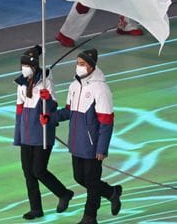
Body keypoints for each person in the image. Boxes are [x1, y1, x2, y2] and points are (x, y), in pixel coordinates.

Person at [42, 48, 121, 224]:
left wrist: (102, 148)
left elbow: (106, 121)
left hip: (93, 146)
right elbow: (69, 111)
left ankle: (90, 217)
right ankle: (111, 192)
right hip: (77, 143)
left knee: (92, 182)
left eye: (82, 64)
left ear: (92, 66)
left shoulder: (101, 89)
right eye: (77, 63)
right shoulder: (74, 86)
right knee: (80, 178)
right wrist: (50, 117)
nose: (78, 67)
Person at [13, 45, 74, 220]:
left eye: (26, 65)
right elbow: (19, 108)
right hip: (26, 133)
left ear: (33, 66)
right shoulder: (21, 84)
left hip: (42, 132)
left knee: (39, 170)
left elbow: (53, 107)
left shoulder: (46, 82)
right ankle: (36, 208)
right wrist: (18, 134)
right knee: (28, 172)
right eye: (22, 65)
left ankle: (63, 193)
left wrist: (47, 98)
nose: (23, 69)